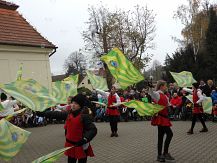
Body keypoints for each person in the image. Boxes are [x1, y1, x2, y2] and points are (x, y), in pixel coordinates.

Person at [64, 94, 97, 163]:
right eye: (72, 103)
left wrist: (85, 139)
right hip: (71, 145)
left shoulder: (84, 116)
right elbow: (55, 114)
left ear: (80, 105)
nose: (72, 105)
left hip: (81, 145)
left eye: (75, 103)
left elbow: (93, 129)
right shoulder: (69, 114)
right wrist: (42, 113)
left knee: (82, 161)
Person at [148, 80, 175, 162]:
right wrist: (150, 87)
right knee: (170, 134)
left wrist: (173, 106)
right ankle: (165, 153)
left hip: (164, 118)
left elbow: (168, 104)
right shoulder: (157, 94)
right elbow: (151, 93)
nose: (166, 87)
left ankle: (160, 155)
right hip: (161, 118)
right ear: (161, 86)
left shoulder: (165, 96)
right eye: (165, 85)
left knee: (161, 137)